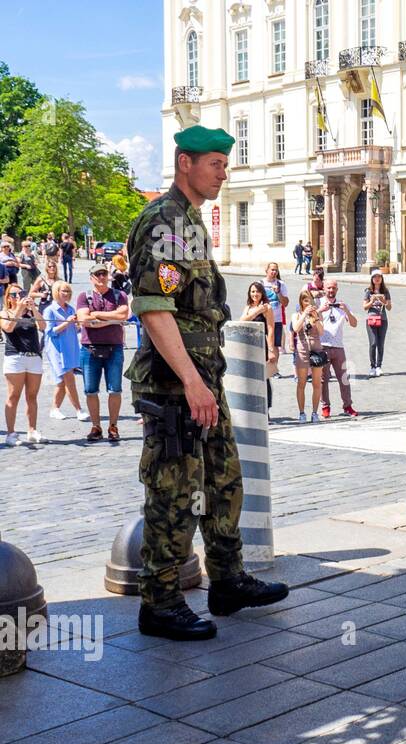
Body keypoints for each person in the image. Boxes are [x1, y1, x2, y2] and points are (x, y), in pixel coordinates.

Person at [125, 124, 289, 640]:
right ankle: (161, 601)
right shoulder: (163, 222)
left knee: (223, 481)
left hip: (203, 379)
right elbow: (154, 309)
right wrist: (194, 384)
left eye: (224, 162)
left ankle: (227, 580)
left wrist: (206, 382)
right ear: (184, 163)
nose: (223, 172)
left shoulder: (190, 221)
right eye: (214, 163)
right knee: (174, 492)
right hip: (175, 387)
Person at [76, 265, 130, 442]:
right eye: (97, 274)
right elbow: (84, 319)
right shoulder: (84, 296)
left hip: (114, 348)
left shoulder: (119, 295)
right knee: (90, 390)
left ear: (108, 276)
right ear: (91, 277)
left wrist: (98, 315)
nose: (101, 277)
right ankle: (96, 426)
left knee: (115, 389)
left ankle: (113, 425)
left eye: (104, 274)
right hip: (89, 349)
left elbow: (123, 314)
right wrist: (112, 319)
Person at [2, 282, 46, 445]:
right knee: (13, 396)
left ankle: (32, 430)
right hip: (15, 357)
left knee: (32, 396)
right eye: (14, 295)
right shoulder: (5, 312)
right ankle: (11, 433)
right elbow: (8, 327)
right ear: (9, 298)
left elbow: (43, 326)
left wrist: (33, 308)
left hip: (34, 356)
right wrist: (19, 309)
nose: (19, 297)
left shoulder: (30, 313)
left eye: (21, 293)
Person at [43, 281, 87, 421]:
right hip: (57, 348)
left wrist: (77, 325)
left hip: (70, 346)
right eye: (63, 291)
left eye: (68, 291)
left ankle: (54, 409)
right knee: (69, 378)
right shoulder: (50, 310)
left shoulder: (71, 309)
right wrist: (67, 322)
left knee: (62, 381)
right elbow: (50, 332)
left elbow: (76, 329)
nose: (66, 294)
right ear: (57, 292)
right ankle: (79, 409)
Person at [317, 278, 358, 418]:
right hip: (323, 346)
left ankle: (348, 406)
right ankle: (325, 406)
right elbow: (309, 320)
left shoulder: (342, 305)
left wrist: (346, 310)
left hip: (339, 346)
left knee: (344, 378)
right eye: (328, 287)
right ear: (324, 289)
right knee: (323, 379)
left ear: (337, 289)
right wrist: (320, 311)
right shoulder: (318, 303)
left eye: (333, 288)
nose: (331, 290)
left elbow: (354, 323)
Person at [240, 281, 276, 413]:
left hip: (262, 346)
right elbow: (242, 321)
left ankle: (266, 408)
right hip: (249, 346)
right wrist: (257, 311)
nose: (255, 294)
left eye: (257, 291)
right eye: (253, 291)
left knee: (264, 378)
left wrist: (271, 350)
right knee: (251, 377)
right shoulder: (249, 306)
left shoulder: (267, 308)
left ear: (262, 293)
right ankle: (254, 406)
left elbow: (271, 330)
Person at [291, 289, 325, 422]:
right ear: (301, 302)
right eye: (305, 300)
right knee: (302, 383)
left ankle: (315, 413)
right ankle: (301, 413)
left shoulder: (317, 314)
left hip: (316, 348)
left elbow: (321, 332)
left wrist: (315, 318)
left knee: (317, 383)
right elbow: (296, 328)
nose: (308, 303)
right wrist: (304, 314)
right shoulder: (296, 314)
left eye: (310, 300)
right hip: (302, 350)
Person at [363, 269, 392, 376]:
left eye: (379, 277)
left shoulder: (385, 291)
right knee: (373, 343)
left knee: (381, 344)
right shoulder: (368, 291)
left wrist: (383, 301)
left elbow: (389, 307)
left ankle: (379, 366)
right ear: (372, 279)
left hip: (383, 319)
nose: (377, 279)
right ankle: (372, 366)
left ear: (381, 278)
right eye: (375, 277)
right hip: (371, 319)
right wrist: (372, 300)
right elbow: (365, 307)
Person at [260, 263, 286, 376]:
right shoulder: (260, 284)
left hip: (277, 318)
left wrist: (278, 292)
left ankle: (274, 370)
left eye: (276, 270)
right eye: (272, 270)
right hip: (263, 318)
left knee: (275, 345)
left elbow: (285, 303)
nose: (274, 272)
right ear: (266, 270)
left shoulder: (281, 284)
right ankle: (264, 369)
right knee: (263, 344)